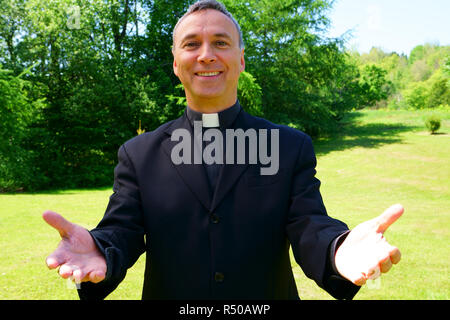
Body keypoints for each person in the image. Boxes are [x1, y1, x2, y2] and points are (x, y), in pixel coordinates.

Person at [43, 0, 403, 300]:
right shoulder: (140, 154)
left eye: (220, 42)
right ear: (175, 63)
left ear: (241, 60)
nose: (206, 55)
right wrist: (98, 249)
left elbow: (310, 226)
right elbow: (121, 231)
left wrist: (338, 249)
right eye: (191, 44)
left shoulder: (289, 147)